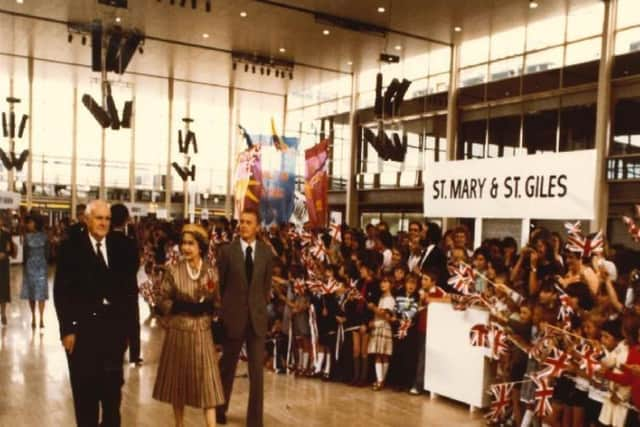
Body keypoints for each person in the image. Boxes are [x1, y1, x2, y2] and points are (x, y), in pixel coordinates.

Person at [53, 200, 134, 427]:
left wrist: (127, 332)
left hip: (113, 336)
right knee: (85, 397)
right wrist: (67, 329)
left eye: (107, 218)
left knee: (111, 399)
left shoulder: (120, 247)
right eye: (99, 218)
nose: (104, 223)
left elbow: (128, 292)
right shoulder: (71, 248)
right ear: (87, 219)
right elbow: (61, 292)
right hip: (82, 336)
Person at [153, 224, 224, 427]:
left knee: (208, 383)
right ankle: (179, 424)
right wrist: (179, 305)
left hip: (202, 332)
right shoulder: (173, 270)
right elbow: (161, 299)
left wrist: (211, 309)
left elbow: (217, 301)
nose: (186, 248)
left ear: (200, 246)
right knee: (178, 382)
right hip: (179, 332)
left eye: (190, 244)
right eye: (183, 243)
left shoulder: (211, 271)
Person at [216, 209, 273, 427]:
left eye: (249, 222)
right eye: (241, 222)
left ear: (257, 226)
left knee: (257, 372)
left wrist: (259, 307)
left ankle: (255, 419)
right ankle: (220, 409)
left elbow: (266, 286)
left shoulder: (267, 253)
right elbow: (220, 285)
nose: (244, 226)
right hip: (233, 318)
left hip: (257, 320)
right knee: (227, 367)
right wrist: (224, 311)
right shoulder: (227, 252)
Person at [109, 203, 142, 365]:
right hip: (128, 287)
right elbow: (136, 264)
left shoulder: (105, 242)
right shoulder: (129, 242)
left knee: (113, 321)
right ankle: (134, 356)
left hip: (111, 288)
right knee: (132, 321)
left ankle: (114, 351)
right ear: (125, 220)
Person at [20, 214, 49, 329]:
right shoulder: (27, 237)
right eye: (28, 223)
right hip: (32, 266)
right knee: (32, 293)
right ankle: (33, 316)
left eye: (30, 222)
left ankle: (41, 317)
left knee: (41, 294)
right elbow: (25, 254)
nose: (28, 225)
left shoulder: (44, 236)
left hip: (40, 266)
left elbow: (47, 253)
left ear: (36, 223)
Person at [0, 215, 13, 326]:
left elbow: (10, 249)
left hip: (3, 265)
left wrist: (6, 253)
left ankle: (3, 313)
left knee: (3, 288)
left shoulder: (6, 234)